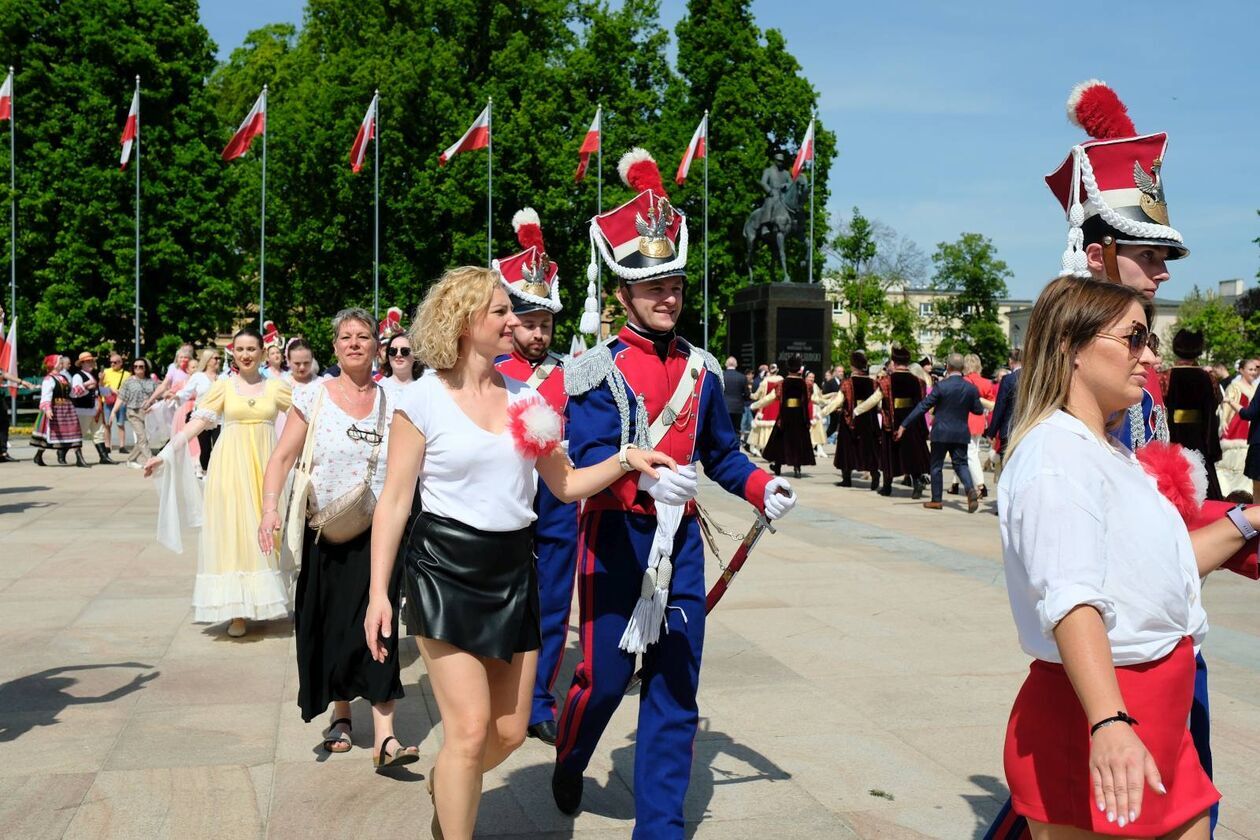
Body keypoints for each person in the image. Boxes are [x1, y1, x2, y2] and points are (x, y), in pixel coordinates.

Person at [985, 78, 1258, 840]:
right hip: (1107, 672)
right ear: (1097, 255)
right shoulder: (1067, 417)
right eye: (1150, 254)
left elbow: (1155, 533)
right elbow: (1071, 567)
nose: (1166, 273)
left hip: (1165, 657)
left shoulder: (1138, 383)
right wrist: (1109, 714)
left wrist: (1242, 524)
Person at [364, 266, 675, 840]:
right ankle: (456, 809)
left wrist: (629, 459)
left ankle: (450, 781)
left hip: (514, 571)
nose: (516, 320)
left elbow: (566, 485)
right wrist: (378, 592)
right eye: (501, 311)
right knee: (469, 727)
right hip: (443, 570)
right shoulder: (421, 398)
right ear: (462, 322)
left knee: (506, 733)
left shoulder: (527, 401)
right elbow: (394, 501)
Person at [550, 149, 796, 838]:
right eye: (652, 284)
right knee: (601, 681)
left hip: (681, 545)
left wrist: (759, 485)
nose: (667, 296)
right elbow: (592, 460)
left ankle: (659, 827)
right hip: (617, 542)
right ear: (623, 292)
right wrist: (644, 474)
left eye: (675, 284)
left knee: (675, 688)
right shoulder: (597, 371)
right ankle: (570, 755)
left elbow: (719, 452)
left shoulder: (703, 369)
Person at [257, 308, 419, 769]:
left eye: (363, 337)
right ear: (335, 347)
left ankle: (386, 735)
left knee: (381, 620)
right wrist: (270, 508)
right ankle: (342, 715)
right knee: (331, 624)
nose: (354, 344)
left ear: (377, 347)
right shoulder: (313, 397)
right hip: (324, 528)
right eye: (345, 337)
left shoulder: (396, 401)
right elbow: (282, 457)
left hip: (380, 531)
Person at [144, 327, 294, 639]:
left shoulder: (277, 387)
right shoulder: (224, 386)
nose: (246, 354)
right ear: (232, 353)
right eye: (240, 349)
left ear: (263, 353)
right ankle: (237, 610)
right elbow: (197, 422)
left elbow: (304, 417)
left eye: (252, 349)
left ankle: (262, 601)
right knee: (233, 534)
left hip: (267, 467)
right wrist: (166, 453)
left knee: (266, 534)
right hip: (229, 469)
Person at [491, 208, 575, 747]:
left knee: (552, 600)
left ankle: (539, 698)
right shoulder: (488, 371)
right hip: (505, 496)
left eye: (546, 324)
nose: (540, 333)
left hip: (560, 498)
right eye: (530, 323)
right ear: (509, 323)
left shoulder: (573, 372)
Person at [898, 353, 983, 512]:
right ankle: (970, 490)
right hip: (960, 432)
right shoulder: (970, 388)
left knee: (936, 466)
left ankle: (936, 500)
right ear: (962, 368)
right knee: (961, 464)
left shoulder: (941, 386)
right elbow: (978, 410)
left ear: (948, 367)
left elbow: (923, 406)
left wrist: (904, 424)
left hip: (941, 432)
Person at [1162, 329, 1223, 501]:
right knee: (1203, 474)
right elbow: (1215, 401)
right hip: (1199, 434)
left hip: (1172, 433)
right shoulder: (1207, 377)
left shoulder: (1165, 376)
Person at [870, 346, 930, 498]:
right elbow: (922, 403)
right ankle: (917, 484)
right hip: (912, 421)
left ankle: (887, 486)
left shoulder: (886, 382)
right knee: (912, 453)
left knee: (890, 453)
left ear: (894, 362)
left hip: (893, 420)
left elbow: (875, 399)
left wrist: (858, 410)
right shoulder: (918, 381)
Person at [833, 351, 881, 489]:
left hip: (850, 420)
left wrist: (824, 411)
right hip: (868, 420)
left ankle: (846, 478)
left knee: (847, 448)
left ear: (853, 366)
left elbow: (839, 401)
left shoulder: (847, 383)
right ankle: (874, 474)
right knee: (868, 448)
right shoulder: (873, 383)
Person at [762, 354, 814, 477]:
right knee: (797, 440)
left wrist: (756, 404)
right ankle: (797, 467)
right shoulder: (805, 384)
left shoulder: (782, 383)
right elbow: (808, 398)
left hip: (785, 415)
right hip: (800, 416)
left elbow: (773, 397)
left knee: (780, 441)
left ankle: (778, 466)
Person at [31, 355, 85, 467]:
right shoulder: (49, 379)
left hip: (67, 409)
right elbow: (46, 396)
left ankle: (80, 459)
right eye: (60, 363)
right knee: (49, 435)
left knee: (74, 431)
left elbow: (71, 393)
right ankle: (38, 455)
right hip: (55, 409)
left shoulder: (63, 378)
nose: (62, 364)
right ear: (53, 365)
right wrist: (47, 409)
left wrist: (82, 388)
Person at [1219, 358, 1259, 498]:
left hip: (1251, 428)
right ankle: (1233, 493)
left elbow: (1251, 411)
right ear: (1241, 370)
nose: (1254, 372)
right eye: (1251, 369)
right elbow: (1226, 407)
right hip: (1238, 427)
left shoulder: (1255, 386)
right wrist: (1224, 421)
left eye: (1255, 369)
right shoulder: (1235, 386)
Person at [178, 349, 222, 475]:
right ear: (207, 361)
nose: (218, 361)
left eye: (219, 358)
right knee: (206, 448)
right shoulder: (198, 376)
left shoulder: (223, 376)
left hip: (219, 418)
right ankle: (205, 471)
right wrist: (175, 396)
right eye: (215, 358)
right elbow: (186, 392)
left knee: (219, 447)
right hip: (202, 417)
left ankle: (215, 474)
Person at [956, 353, 994, 497]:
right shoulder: (986, 382)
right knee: (972, 451)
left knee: (969, 454)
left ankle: (980, 485)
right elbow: (991, 405)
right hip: (978, 419)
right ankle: (960, 482)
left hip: (965, 419)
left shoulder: (963, 381)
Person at [985, 349, 1023, 489]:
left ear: (1010, 361)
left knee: (1007, 468)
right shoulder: (1034, 378)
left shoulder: (1008, 380)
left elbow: (1000, 407)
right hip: (1028, 429)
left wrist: (992, 431)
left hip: (1009, 429)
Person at [71, 352, 115, 465]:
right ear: (82, 363)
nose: (92, 363)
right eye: (88, 361)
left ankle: (104, 456)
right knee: (79, 434)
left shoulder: (93, 375)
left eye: (92, 361)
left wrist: (111, 391)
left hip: (96, 409)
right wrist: (86, 385)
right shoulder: (78, 376)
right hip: (83, 409)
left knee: (99, 433)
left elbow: (98, 391)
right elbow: (75, 392)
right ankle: (77, 458)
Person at [113, 358, 157, 468]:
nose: (138, 368)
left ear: (145, 368)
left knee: (144, 438)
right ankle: (151, 461)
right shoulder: (128, 381)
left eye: (141, 366)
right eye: (135, 366)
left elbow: (158, 394)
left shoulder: (150, 381)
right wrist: (114, 411)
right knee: (142, 437)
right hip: (133, 413)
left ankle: (131, 459)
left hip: (148, 413)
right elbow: (121, 398)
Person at [99, 352, 131, 455]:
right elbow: (100, 386)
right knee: (107, 424)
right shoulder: (106, 372)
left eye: (115, 362)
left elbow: (128, 389)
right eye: (111, 362)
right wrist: (109, 388)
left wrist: (126, 400)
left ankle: (122, 446)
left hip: (120, 401)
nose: (112, 364)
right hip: (108, 401)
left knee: (120, 424)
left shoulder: (127, 374)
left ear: (121, 363)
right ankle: (107, 446)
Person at [379, 332, 422, 398]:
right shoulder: (377, 388)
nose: (398, 355)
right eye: (393, 351)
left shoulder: (425, 389)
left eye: (405, 351)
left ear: (416, 355)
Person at [722, 355, 749, 440]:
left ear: (726, 364)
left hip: (724, 406)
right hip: (738, 407)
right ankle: (736, 449)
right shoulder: (742, 377)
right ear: (736, 365)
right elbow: (747, 394)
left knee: (724, 429)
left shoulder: (722, 376)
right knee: (737, 430)